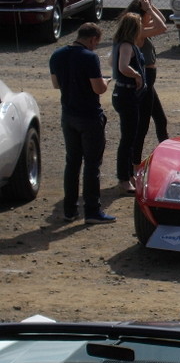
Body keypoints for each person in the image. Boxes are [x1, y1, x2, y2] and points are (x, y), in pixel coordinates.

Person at [49, 23, 116, 225]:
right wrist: (107, 81)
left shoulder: (57, 55)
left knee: (72, 163)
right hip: (88, 116)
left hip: (68, 115)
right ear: (93, 39)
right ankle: (92, 210)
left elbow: (56, 84)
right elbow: (98, 89)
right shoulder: (89, 57)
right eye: (96, 43)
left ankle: (70, 210)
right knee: (92, 164)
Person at [127, 0, 169, 166]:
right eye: (148, 13)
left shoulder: (141, 28)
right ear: (141, 15)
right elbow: (163, 27)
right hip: (144, 79)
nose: (150, 16)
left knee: (160, 119)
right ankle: (134, 163)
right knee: (142, 126)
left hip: (148, 81)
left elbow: (163, 21)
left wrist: (151, 6)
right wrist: (150, 9)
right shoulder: (137, 31)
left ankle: (167, 155)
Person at [111, 13, 146, 195]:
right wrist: (137, 75)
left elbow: (112, 62)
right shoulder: (126, 46)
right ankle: (124, 178)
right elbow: (123, 67)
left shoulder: (121, 45)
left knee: (131, 135)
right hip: (126, 94)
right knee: (128, 138)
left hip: (123, 93)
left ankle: (129, 175)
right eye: (139, 24)